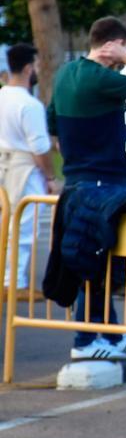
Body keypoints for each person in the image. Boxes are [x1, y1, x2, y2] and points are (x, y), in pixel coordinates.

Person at [47, 17, 126, 360]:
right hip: (104, 181)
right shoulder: (102, 77)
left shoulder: (65, 73)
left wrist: (68, 146)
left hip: (77, 177)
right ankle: (86, 340)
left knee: (97, 257)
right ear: (112, 45)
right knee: (96, 260)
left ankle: (111, 334)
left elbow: (51, 118)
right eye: (125, 47)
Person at [0, 43, 55, 300]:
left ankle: (8, 278)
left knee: (6, 223)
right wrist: (50, 177)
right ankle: (14, 281)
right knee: (23, 226)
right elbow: (40, 147)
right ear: (27, 68)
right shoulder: (29, 104)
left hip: (4, 164)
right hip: (24, 167)